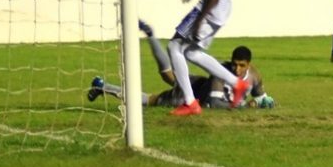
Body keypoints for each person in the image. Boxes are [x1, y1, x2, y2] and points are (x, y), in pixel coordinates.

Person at [90, 46, 274, 110]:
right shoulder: (221, 72)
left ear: (248, 65)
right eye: (234, 63)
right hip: (194, 94)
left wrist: (263, 102)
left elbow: (261, 97)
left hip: (198, 84)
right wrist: (243, 106)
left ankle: (102, 86)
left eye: (241, 65)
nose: (237, 68)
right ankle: (103, 86)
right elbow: (214, 104)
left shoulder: (255, 75)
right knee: (151, 100)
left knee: (169, 76)